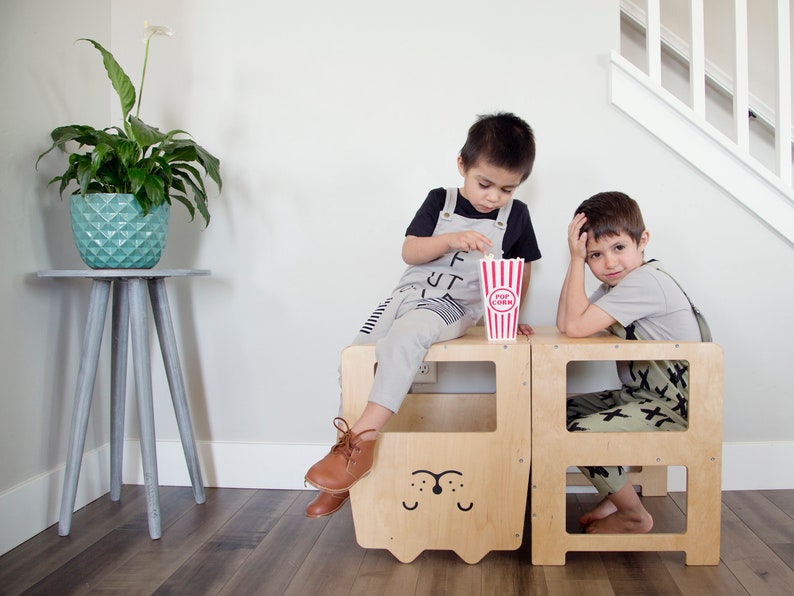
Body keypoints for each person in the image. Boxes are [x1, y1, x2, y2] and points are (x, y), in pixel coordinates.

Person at [303, 112, 541, 517]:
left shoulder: (514, 216)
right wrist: (450, 240)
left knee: (407, 336)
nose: (492, 197)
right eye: (485, 184)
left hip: (452, 305)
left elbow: (521, 267)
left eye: (506, 189)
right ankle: (349, 467)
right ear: (462, 165)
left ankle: (358, 443)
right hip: (406, 294)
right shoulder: (440, 200)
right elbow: (410, 251)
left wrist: (509, 310)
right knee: (357, 357)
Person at [557, 191, 709, 534]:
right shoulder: (618, 286)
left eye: (619, 248)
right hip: (643, 396)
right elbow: (568, 323)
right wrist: (575, 260)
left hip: (674, 406)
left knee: (576, 433)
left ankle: (634, 515)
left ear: (643, 242)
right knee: (557, 414)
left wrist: (579, 261)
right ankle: (616, 495)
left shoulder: (644, 281)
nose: (609, 263)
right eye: (596, 254)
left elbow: (577, 327)